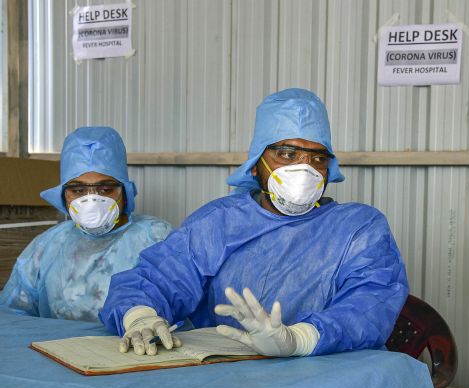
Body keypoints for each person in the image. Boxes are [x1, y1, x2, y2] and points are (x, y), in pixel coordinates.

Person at [100, 88, 409, 358]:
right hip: (226, 377)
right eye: (287, 154)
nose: (305, 169)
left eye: (317, 158)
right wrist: (140, 316)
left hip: (328, 377)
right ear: (255, 165)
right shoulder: (219, 222)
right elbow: (159, 278)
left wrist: (300, 339)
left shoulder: (358, 228)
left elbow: (371, 303)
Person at [0, 126, 173, 323]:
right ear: (64, 196)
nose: (91, 201)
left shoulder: (156, 238)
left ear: (124, 192)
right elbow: (11, 316)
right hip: (55, 351)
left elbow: (182, 301)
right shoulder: (46, 247)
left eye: (106, 188)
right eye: (78, 190)